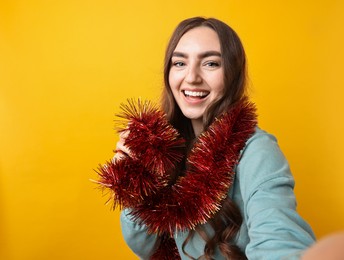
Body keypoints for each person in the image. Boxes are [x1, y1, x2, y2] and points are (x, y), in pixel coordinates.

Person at [99, 17, 316, 259]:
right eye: (179, 63)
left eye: (211, 64)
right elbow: (147, 247)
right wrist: (135, 183)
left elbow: (279, 239)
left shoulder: (257, 151)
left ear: (233, 74)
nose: (191, 77)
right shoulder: (167, 148)